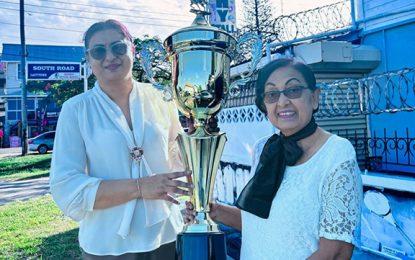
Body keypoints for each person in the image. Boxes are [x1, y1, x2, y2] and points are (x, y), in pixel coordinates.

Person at [185, 59, 363, 259]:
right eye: (271, 94)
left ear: (314, 97)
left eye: (293, 90)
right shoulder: (265, 149)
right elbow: (260, 223)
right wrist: (212, 211)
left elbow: (336, 252)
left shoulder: (336, 153)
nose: (282, 101)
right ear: (264, 105)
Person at [50, 19, 194, 259]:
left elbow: (177, 161)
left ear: (132, 50)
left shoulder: (162, 97)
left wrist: (191, 196)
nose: (110, 57)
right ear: (89, 59)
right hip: (107, 243)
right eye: (99, 51)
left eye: (118, 47)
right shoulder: (76, 109)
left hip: (166, 235)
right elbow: (67, 186)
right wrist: (140, 188)